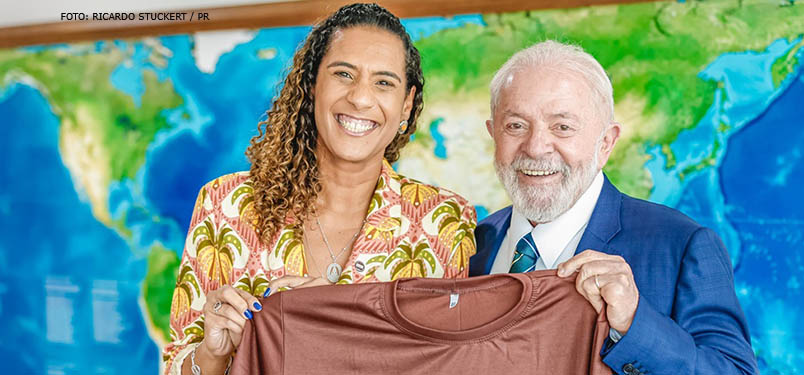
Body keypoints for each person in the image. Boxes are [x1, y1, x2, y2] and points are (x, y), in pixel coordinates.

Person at [162, 4, 477, 375]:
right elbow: (175, 366)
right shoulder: (225, 205)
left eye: (384, 82)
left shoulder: (445, 222)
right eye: (344, 74)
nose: (360, 98)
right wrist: (213, 355)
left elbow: (454, 364)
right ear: (313, 86)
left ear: (406, 104)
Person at [470, 41, 758, 375]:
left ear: (606, 142)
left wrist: (635, 323)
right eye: (515, 126)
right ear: (493, 135)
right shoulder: (473, 245)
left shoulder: (682, 246)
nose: (536, 147)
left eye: (562, 127)